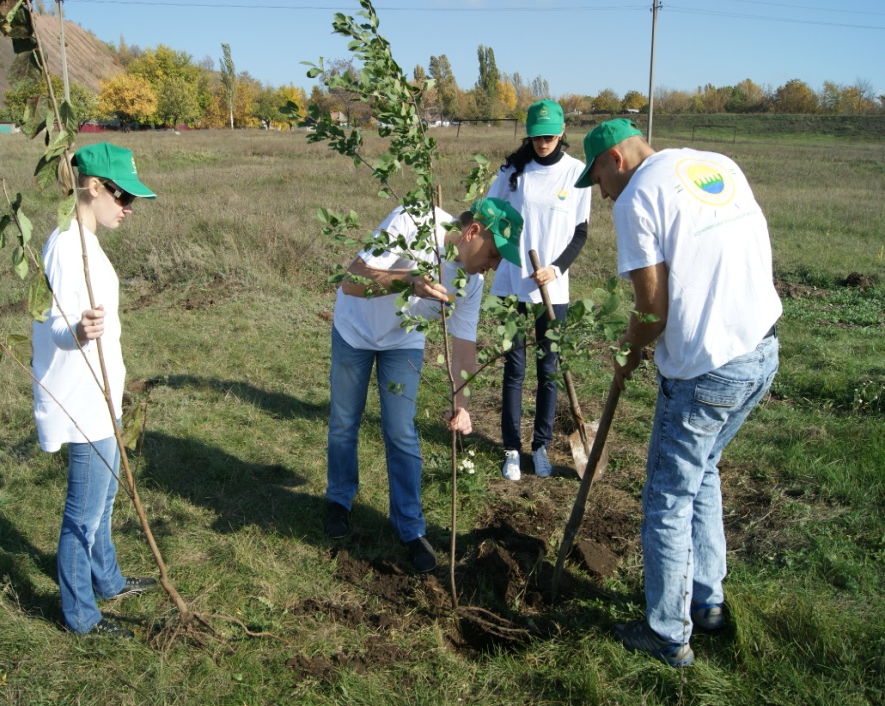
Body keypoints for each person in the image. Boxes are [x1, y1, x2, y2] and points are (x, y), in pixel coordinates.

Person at [573, 119, 782, 666]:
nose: (601, 193)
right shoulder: (713, 164)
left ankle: (667, 634)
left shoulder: (636, 197)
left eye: (597, 178)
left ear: (615, 159)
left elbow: (650, 310)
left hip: (706, 372)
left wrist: (629, 349)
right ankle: (707, 603)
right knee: (703, 471)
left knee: (667, 498)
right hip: (760, 351)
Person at [325, 198, 524, 572]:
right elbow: (352, 279)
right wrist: (409, 282)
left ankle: (410, 527)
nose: (495, 266)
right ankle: (339, 500)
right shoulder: (414, 219)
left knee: (400, 430)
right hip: (354, 329)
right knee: (344, 421)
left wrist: (462, 402)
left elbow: (464, 346)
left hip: (403, 340)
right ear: (473, 232)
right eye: (496, 254)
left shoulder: (471, 283)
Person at [32, 142, 160, 638]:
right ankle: (81, 617)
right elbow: (54, 328)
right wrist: (79, 333)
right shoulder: (65, 246)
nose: (128, 208)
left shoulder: (87, 239)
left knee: (104, 501)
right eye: (122, 196)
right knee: (83, 514)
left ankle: (107, 579)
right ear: (91, 186)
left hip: (104, 393)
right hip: (83, 401)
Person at [486, 99, 592, 481]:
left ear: (562, 132)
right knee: (514, 369)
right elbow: (489, 214)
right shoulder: (513, 171)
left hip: (554, 290)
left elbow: (580, 231)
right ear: (528, 135)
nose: (543, 141)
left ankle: (541, 446)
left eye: (549, 135)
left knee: (548, 370)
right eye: (536, 135)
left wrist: (555, 269)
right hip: (513, 285)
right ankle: (512, 449)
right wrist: (504, 253)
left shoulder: (578, 175)